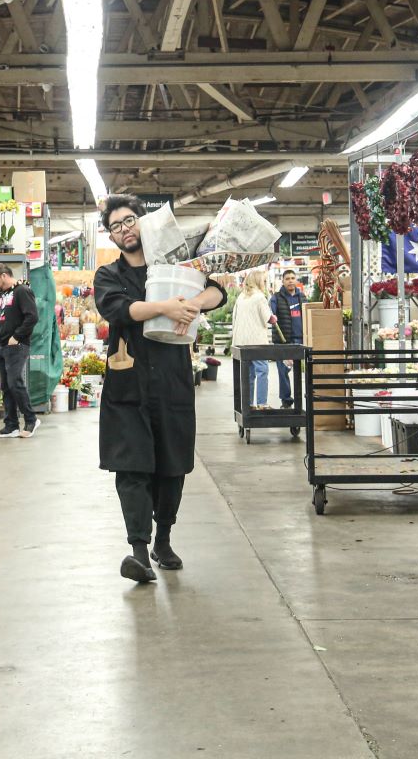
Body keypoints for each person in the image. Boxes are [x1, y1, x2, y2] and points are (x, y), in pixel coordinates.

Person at [94, 194, 227, 584]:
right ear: (111, 236)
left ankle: (163, 541)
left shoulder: (174, 265)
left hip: (172, 381)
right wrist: (165, 307)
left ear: (142, 221)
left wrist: (193, 304)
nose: (124, 229)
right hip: (128, 384)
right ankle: (139, 551)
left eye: (129, 220)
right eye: (116, 226)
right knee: (131, 466)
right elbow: (119, 309)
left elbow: (217, 291)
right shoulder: (109, 275)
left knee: (173, 464)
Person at [0, 263, 40, 438]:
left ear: (4, 275)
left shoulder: (22, 291)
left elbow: (32, 317)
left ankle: (31, 419)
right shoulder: (2, 295)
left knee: (14, 383)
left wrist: (17, 336)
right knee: (6, 386)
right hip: (1, 346)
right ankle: (11, 425)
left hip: (16, 346)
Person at [230, 271, 275, 409]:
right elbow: (268, 318)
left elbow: (234, 317)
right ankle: (262, 403)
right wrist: (273, 318)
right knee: (262, 370)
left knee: (249, 374)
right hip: (256, 341)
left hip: (241, 341)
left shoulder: (241, 297)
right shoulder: (259, 297)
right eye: (264, 281)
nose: (265, 283)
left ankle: (248, 404)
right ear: (258, 281)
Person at [271, 268, 306, 408]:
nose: (290, 281)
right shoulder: (276, 298)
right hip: (283, 342)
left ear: (296, 280)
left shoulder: (302, 297)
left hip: (300, 340)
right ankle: (286, 401)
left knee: (299, 372)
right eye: (287, 279)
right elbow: (270, 315)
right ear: (283, 281)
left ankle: (299, 400)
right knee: (283, 371)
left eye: (292, 278)